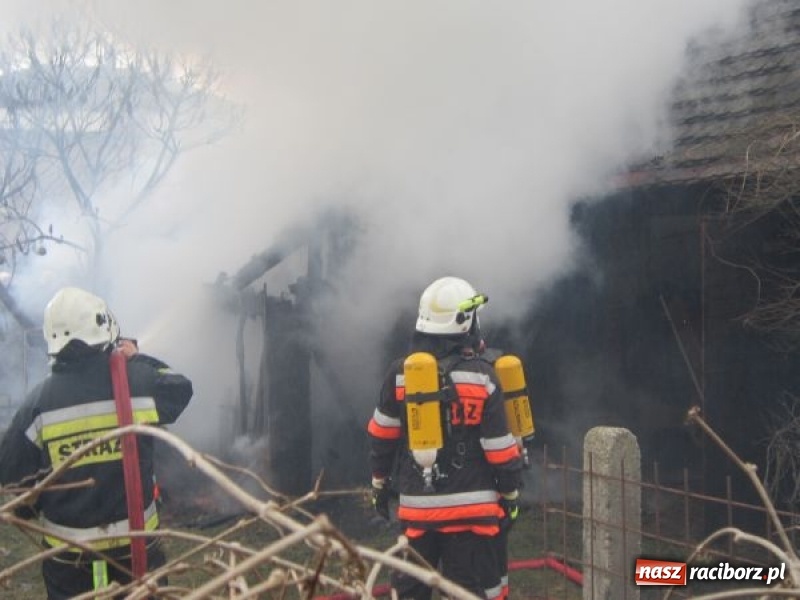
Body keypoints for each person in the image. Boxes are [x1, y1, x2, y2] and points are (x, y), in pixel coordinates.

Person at [0, 286, 194, 599]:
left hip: (68, 559)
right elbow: (179, 389)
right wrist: (138, 357)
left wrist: (35, 511)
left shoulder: (37, 405)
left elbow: (13, 483)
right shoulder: (138, 382)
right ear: (104, 327)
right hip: (137, 549)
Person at [367, 276, 523, 599]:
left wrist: (379, 484)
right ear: (465, 322)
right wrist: (510, 495)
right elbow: (499, 450)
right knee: (470, 592)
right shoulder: (482, 376)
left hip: (417, 516)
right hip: (472, 519)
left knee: (410, 593)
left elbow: (382, 437)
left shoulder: (399, 375)